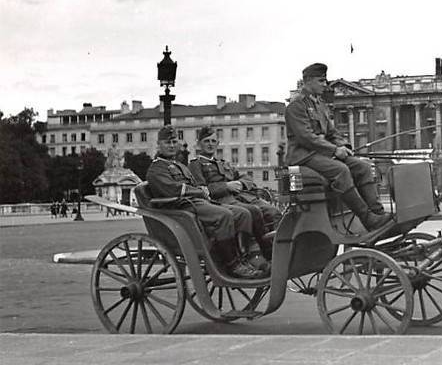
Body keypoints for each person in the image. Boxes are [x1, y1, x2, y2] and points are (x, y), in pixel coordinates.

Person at [285, 62, 392, 235]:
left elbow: (332, 132)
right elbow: (306, 138)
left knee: (362, 167)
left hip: (321, 153)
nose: (325, 85)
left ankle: (378, 214)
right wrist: (334, 151)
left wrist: (343, 146)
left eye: (325, 81)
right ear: (308, 81)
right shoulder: (296, 105)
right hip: (303, 155)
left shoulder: (319, 104)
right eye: (321, 81)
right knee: (341, 170)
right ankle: (367, 219)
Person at [146, 126, 262, 278]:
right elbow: (174, 190)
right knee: (224, 215)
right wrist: (201, 192)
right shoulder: (156, 169)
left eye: (174, 141)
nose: (172, 145)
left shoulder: (179, 166)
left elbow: (195, 186)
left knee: (242, 214)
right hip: (183, 207)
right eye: (167, 142)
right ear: (158, 145)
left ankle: (244, 257)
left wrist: (201, 192)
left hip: (197, 202)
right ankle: (233, 264)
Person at [188, 126, 281, 270]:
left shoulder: (223, 163)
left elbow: (246, 178)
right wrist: (226, 186)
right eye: (207, 141)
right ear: (199, 144)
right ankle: (255, 254)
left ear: (218, 144)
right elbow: (201, 190)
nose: (210, 144)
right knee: (252, 211)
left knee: (272, 211)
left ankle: (275, 250)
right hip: (219, 201)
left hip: (239, 197)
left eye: (213, 141)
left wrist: (240, 183)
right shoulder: (195, 165)